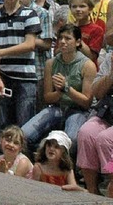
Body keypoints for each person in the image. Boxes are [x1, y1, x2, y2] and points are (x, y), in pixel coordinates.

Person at [21, 23, 95, 158]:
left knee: (70, 140)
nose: (63, 42)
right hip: (57, 107)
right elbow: (47, 97)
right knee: (24, 135)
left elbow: (86, 102)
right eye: (60, 38)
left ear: (78, 42)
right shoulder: (51, 63)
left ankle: (66, 170)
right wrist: (60, 92)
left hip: (78, 110)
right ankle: (37, 165)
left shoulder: (87, 65)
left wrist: (67, 88)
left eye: (68, 38)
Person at [0, 0, 41, 130]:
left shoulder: (30, 14)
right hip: (3, 77)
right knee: (3, 126)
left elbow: (29, 45)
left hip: (25, 80)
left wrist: (1, 53)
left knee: (25, 127)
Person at [76, 48, 113, 195]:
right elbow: (97, 93)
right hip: (108, 113)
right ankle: (92, 190)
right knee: (86, 133)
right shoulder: (110, 58)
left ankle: (112, 182)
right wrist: (111, 75)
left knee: (106, 140)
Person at [21, 0, 53, 110]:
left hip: (37, 71)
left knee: (38, 111)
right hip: (17, 71)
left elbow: (47, 43)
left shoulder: (42, 13)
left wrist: (25, 39)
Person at [68, 0, 103, 64]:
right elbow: (56, 52)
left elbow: (91, 57)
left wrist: (76, 37)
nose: (78, 9)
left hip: (87, 70)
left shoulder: (96, 30)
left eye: (82, 6)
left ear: (90, 9)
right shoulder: (67, 28)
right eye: (74, 6)